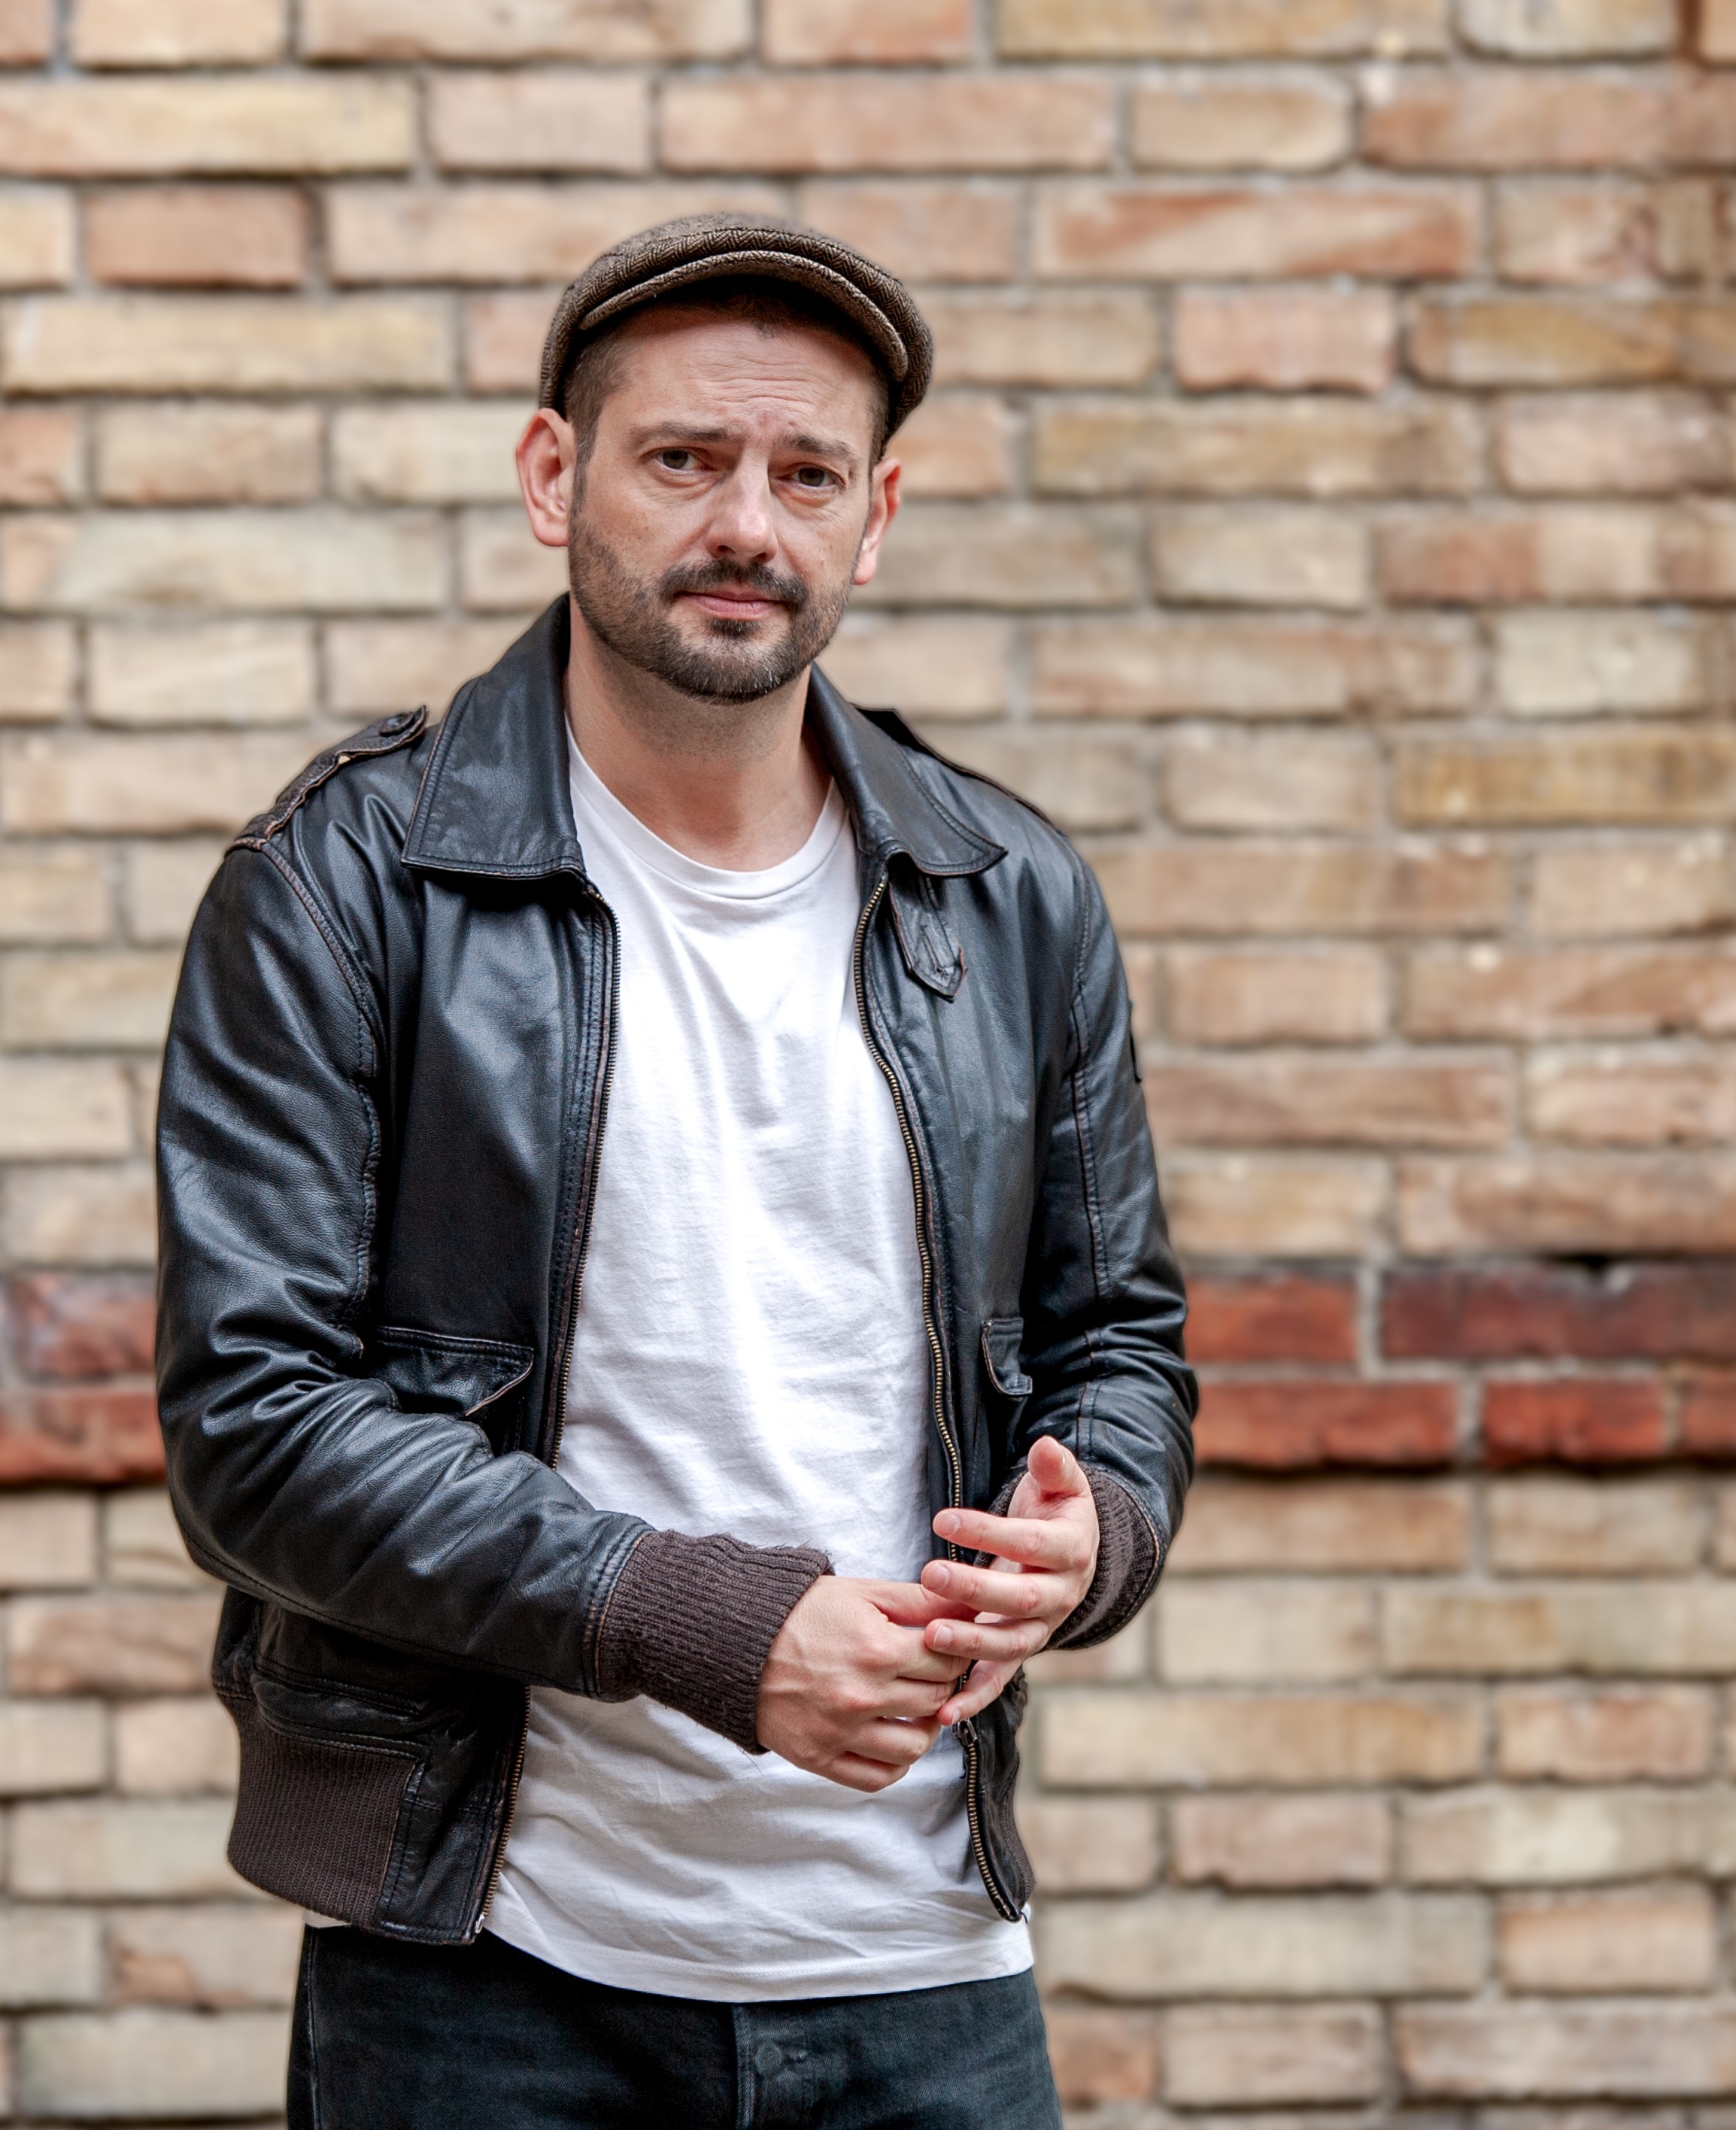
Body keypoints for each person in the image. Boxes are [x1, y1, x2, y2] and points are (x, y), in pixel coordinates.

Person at [154, 214, 1196, 2129]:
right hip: (490, 1979)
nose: (746, 527)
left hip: (922, 1974)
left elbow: (1116, 1339)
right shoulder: (341, 889)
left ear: (874, 520)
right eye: (684, 459)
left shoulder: (1011, 897)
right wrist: (717, 1624)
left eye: (807, 475)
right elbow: (256, 1428)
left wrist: (1095, 1535)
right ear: (554, 477)